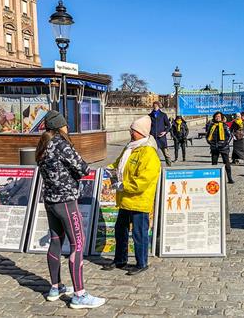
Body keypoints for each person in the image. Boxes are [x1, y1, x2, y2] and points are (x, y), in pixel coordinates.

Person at [36, 110, 105, 309]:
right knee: (78, 243)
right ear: (60, 126)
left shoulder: (43, 145)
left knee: (56, 241)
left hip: (50, 200)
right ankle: (79, 295)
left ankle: (55, 287)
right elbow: (83, 168)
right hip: (66, 200)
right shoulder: (62, 144)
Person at [102, 116, 161, 276]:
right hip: (125, 199)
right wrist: (108, 169)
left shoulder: (148, 152)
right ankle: (120, 259)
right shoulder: (130, 147)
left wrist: (123, 185)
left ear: (141, 132)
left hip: (139, 200)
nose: (130, 133)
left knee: (139, 233)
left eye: (133, 130)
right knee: (120, 229)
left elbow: (143, 180)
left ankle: (141, 262)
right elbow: (118, 163)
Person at [207, 111, 234, 184]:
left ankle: (230, 178)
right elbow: (208, 136)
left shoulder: (225, 125)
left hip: (224, 147)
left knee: (227, 163)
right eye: (216, 116)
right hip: (214, 147)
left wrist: (225, 143)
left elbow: (230, 136)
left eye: (219, 116)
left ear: (221, 117)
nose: (217, 117)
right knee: (214, 163)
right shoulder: (211, 125)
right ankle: (214, 178)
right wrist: (210, 143)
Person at [149, 102, 172, 166]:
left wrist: (165, 132)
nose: (155, 107)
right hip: (153, 138)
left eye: (156, 106)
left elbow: (168, 125)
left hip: (161, 137)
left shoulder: (163, 115)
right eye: (154, 106)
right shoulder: (150, 115)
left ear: (159, 106)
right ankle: (155, 167)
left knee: (166, 153)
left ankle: (169, 165)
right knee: (153, 154)